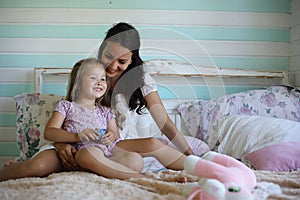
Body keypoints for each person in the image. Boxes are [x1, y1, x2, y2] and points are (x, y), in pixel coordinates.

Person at [55, 22, 194, 171]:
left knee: (154, 144)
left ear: (131, 60)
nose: (113, 66)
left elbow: (165, 124)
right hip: (87, 146)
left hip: (120, 145)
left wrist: (192, 156)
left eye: (122, 62)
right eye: (108, 56)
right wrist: (61, 144)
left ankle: (199, 167)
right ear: (102, 49)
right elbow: (68, 116)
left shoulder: (141, 81)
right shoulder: (90, 74)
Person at [0, 58, 147, 181]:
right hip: (68, 152)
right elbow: (50, 132)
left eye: (103, 79)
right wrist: (77, 136)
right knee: (37, 167)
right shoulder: (66, 106)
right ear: (78, 83)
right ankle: (10, 170)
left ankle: (101, 168)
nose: (100, 82)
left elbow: (115, 134)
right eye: (93, 78)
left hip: (101, 154)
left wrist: (111, 136)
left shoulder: (106, 111)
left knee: (135, 160)